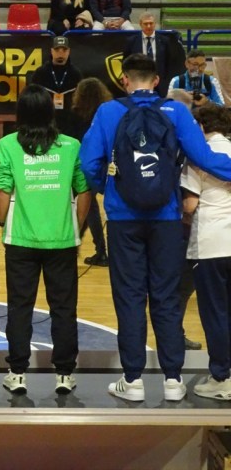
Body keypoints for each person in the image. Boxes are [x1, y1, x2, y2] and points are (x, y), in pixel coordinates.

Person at [80, 54, 231, 402]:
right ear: (158, 81)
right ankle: (173, 380)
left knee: (130, 297)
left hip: (123, 220)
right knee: (166, 298)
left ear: (124, 79)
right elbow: (204, 158)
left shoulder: (108, 111)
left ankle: (133, 380)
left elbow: (88, 163)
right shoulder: (176, 111)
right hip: (166, 219)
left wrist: (110, 189)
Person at [0, 84, 90, 395]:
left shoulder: (8, 144)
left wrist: (3, 221)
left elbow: (2, 190)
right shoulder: (71, 146)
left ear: (20, 113)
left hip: (20, 240)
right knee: (63, 308)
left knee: (19, 307)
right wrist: (76, 228)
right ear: (50, 112)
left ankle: (17, 373)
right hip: (61, 241)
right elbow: (84, 190)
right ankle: (64, 374)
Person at [180, 103, 231, 399]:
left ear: (200, 126)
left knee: (215, 314)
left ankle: (222, 377)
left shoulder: (199, 156)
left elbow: (190, 205)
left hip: (211, 245)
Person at [70, 77, 112, 267]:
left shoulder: (76, 114)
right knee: (91, 206)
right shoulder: (105, 113)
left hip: (83, 162)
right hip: (102, 162)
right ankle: (99, 249)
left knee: (88, 206)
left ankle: (87, 247)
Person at [28, 35, 84, 137]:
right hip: (45, 122)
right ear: (52, 51)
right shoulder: (41, 73)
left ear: (69, 51)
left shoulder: (76, 74)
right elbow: (33, 99)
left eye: (64, 50)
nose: (60, 53)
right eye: (57, 50)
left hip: (70, 123)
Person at [123, 12, 179, 97]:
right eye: (146, 24)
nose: (149, 26)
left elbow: (170, 62)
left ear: (155, 24)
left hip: (160, 82)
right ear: (140, 24)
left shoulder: (165, 41)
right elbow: (126, 62)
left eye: (151, 23)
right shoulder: (131, 41)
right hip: (138, 81)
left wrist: (166, 80)